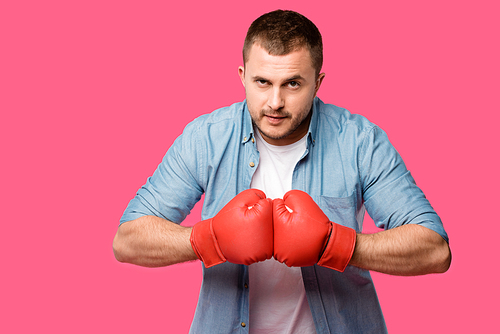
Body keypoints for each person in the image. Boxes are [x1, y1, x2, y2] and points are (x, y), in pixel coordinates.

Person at [113, 9, 451, 334]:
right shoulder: (206, 138)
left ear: (318, 83)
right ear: (243, 77)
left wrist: (338, 245)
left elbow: (434, 250)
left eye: (292, 84)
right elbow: (127, 240)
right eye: (262, 82)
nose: (275, 102)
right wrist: (208, 239)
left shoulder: (360, 142)